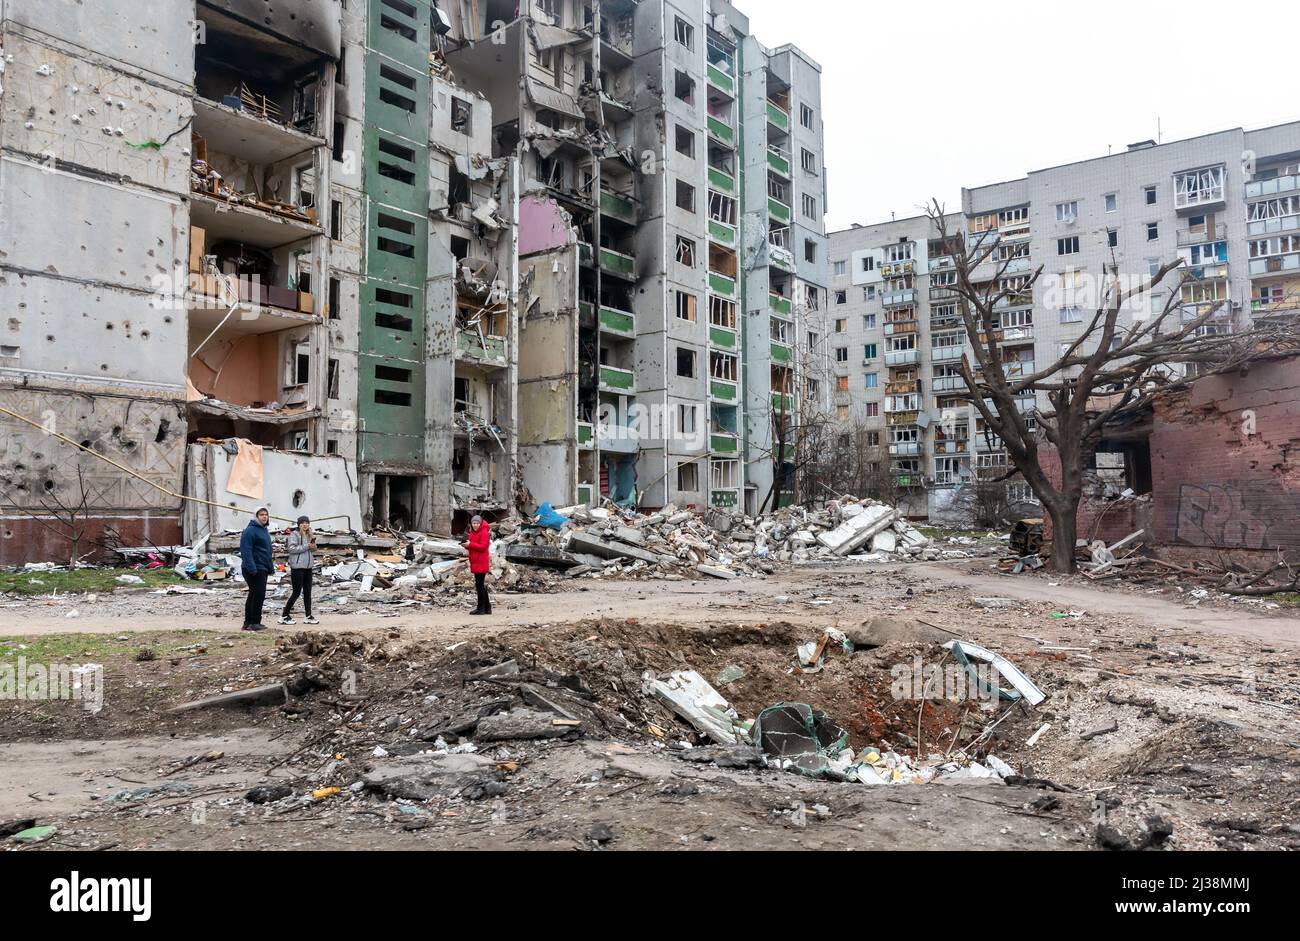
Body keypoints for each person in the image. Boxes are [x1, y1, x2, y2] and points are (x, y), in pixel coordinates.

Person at [239, 506, 274, 631]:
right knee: (258, 594)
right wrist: (252, 568)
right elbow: (246, 550)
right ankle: (255, 622)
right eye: (261, 515)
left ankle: (248, 622)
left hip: (262, 567)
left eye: (266, 514)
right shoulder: (250, 531)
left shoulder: (264, 530)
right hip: (254, 568)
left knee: (254, 594)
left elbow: (267, 551)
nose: (264, 516)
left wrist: (270, 568)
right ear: (256, 517)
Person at [280, 515, 318, 625]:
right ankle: (284, 615)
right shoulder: (294, 534)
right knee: (296, 592)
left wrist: (313, 545)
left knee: (307, 592)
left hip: (308, 567)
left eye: (307, 522)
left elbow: (313, 549)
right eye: (303, 523)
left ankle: (308, 615)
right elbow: (291, 549)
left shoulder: (309, 534)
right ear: (299, 524)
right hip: (297, 567)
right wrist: (307, 546)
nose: (305, 524)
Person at [464, 514, 492, 615]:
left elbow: (483, 547)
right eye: (473, 523)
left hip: (481, 561)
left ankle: (481, 608)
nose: (475, 525)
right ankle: (487, 607)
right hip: (475, 561)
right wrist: (466, 545)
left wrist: (470, 544)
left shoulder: (484, 532)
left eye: (477, 523)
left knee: (479, 585)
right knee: (480, 585)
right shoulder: (473, 532)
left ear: (480, 524)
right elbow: (473, 545)